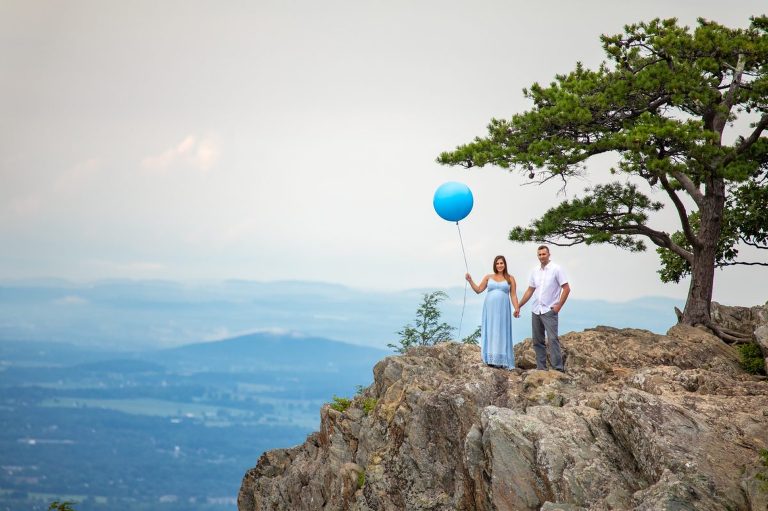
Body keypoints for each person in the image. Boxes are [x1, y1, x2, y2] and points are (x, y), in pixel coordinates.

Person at [518, 245, 570, 372]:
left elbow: (566, 288)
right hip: (536, 309)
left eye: (544, 254)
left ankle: (557, 368)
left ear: (549, 254)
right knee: (537, 340)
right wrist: (519, 306)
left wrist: (559, 306)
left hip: (549, 310)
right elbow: (530, 290)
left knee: (552, 339)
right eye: (539, 255)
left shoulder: (556, 269)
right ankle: (541, 368)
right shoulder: (535, 271)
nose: (541, 256)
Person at [465, 255, 520, 369]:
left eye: (501, 263)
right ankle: (490, 358)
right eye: (497, 263)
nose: (500, 265)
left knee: (501, 331)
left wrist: (516, 308)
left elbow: (513, 295)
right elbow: (479, 290)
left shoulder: (510, 278)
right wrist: (470, 281)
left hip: (503, 309)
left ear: (505, 264)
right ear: (495, 265)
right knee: (491, 330)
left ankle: (502, 359)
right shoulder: (488, 277)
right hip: (490, 309)